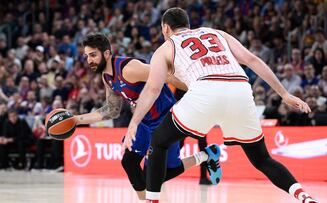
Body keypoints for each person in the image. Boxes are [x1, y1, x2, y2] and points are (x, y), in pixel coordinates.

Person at [124, 7, 317, 203]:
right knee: (262, 160)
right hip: (240, 89)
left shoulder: (166, 47)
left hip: (205, 92)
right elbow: (251, 59)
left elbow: (153, 89)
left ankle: (152, 201)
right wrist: (284, 93)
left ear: (165, 28)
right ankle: (304, 197)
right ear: (188, 25)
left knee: (158, 141)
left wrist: (134, 122)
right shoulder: (216, 33)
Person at [72, 33, 222, 201]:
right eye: (87, 56)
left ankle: (207, 155)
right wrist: (77, 119)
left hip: (166, 119)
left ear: (106, 54)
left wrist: (198, 89)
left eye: (93, 55)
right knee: (129, 163)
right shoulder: (107, 77)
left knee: (159, 174)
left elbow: (166, 76)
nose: (89, 60)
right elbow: (112, 110)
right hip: (144, 122)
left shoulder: (129, 69)